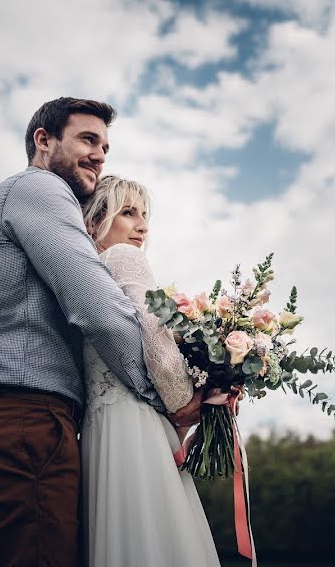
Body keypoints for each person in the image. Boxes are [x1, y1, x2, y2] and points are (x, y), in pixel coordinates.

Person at [0, 97, 202, 567]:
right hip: (22, 418)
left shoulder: (39, 206)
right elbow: (97, 307)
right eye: (87, 139)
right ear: (44, 141)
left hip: (29, 419)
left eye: (104, 145)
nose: (100, 154)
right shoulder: (38, 190)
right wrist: (171, 396)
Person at [80, 175, 221, 567]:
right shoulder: (124, 257)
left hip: (95, 432)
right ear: (94, 223)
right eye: (128, 213)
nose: (142, 225)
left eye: (145, 216)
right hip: (135, 423)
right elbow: (154, 330)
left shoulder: (84, 278)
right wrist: (187, 401)